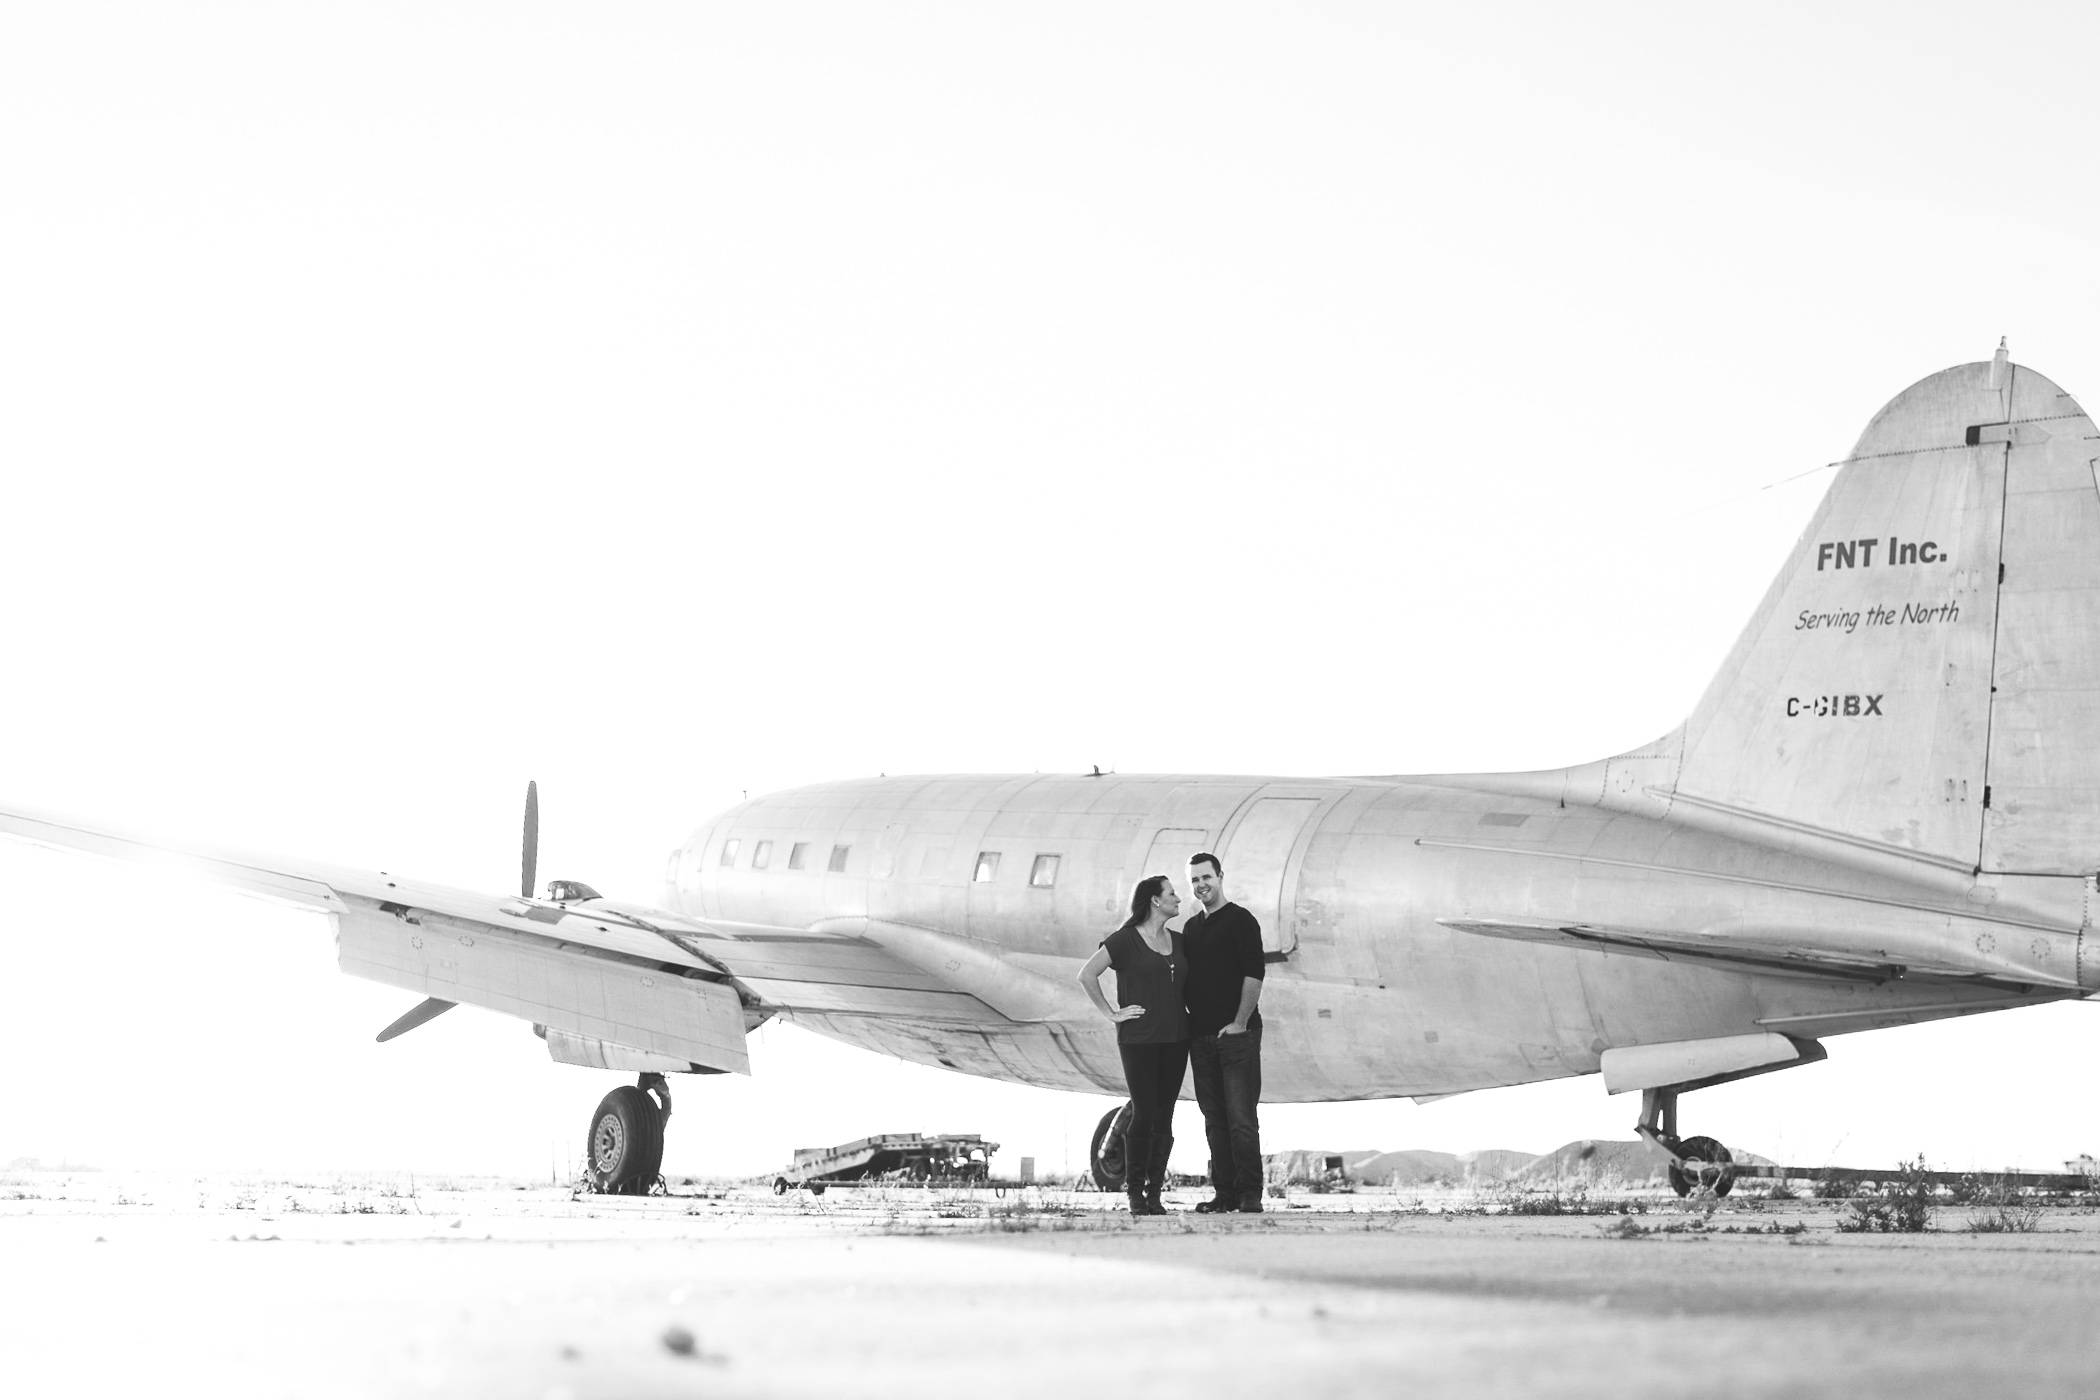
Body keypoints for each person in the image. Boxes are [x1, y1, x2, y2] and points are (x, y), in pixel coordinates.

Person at [1077, 874, 1190, 1215]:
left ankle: (1155, 1192)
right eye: (1171, 893)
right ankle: (1136, 1193)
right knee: (1144, 1113)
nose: (1178, 899)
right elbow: (1086, 975)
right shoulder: (1124, 940)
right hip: (1139, 1039)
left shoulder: (1180, 942)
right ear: (1155, 900)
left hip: (1176, 1038)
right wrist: (1111, 1013)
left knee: (1165, 1116)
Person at [1182, 851, 1266, 1213]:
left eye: (1206, 877)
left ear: (1220, 877)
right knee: (1215, 1121)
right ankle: (1225, 1194)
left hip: (1236, 1036)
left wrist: (1240, 1023)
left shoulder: (1241, 920)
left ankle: (1250, 1194)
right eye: (1195, 880)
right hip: (1200, 1038)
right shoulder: (1190, 928)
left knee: (1241, 1119)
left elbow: (1254, 974)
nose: (1202, 885)